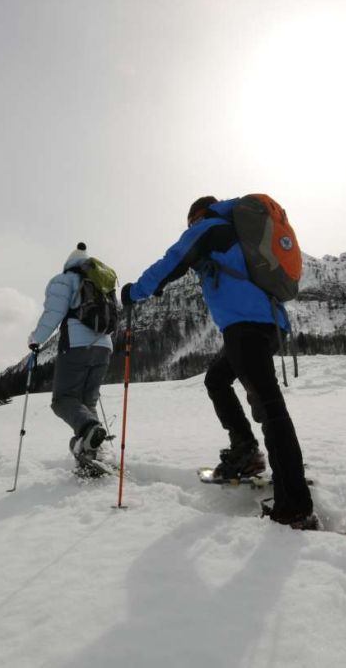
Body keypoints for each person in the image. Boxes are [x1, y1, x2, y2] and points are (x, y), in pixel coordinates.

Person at [120, 196, 316, 528]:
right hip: (262, 324)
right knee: (217, 379)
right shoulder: (234, 233)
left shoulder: (208, 229)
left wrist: (133, 292)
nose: (189, 228)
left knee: (270, 410)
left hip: (246, 328)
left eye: (189, 223)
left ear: (196, 216)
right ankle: (246, 453)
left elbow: (172, 261)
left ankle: (294, 505)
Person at [28, 242, 115, 475]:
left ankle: (89, 430)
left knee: (63, 399)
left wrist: (36, 339)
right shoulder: (101, 280)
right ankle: (94, 450)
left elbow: (53, 314)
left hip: (76, 347)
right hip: (105, 347)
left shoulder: (64, 280)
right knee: (88, 402)